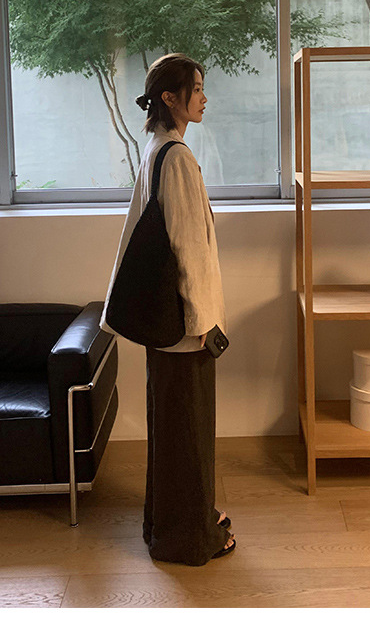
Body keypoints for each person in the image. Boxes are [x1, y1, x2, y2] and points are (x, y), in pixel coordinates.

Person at [100, 53, 235, 566]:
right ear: (170, 98)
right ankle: (188, 538)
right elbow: (188, 247)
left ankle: (168, 525)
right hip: (184, 325)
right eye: (195, 89)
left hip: (165, 320)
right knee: (189, 432)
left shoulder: (156, 148)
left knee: (172, 429)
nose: (204, 98)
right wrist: (202, 323)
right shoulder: (175, 156)